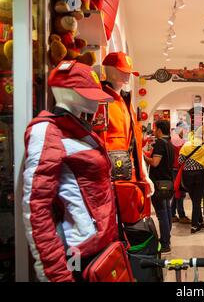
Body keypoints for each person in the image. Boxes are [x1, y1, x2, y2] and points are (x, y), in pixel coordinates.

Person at [22, 62, 118, 281]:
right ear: (64, 92)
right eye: (87, 94)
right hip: (77, 252)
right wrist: (56, 274)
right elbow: (36, 207)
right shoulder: (47, 131)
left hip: (100, 246)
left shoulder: (81, 132)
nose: (94, 101)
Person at [93, 52, 154, 225]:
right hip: (111, 179)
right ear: (108, 70)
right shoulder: (101, 101)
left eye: (127, 71)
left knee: (131, 224)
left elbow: (135, 141)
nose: (126, 75)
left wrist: (144, 174)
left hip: (129, 178)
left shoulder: (126, 104)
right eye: (121, 71)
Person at [145, 120, 175, 254]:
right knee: (167, 210)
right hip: (168, 182)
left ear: (159, 130)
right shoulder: (169, 144)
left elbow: (155, 163)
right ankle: (167, 237)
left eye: (155, 128)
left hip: (158, 183)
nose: (154, 131)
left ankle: (165, 243)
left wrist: (143, 157)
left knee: (162, 213)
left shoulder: (159, 144)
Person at [178, 126, 204, 234]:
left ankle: (200, 221)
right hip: (200, 175)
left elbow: (180, 160)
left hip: (187, 175)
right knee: (197, 200)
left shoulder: (187, 145)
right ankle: (194, 225)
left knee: (195, 200)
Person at [170, 125, 191, 224]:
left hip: (176, 168)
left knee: (177, 192)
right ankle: (181, 215)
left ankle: (172, 214)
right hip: (177, 168)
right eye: (185, 129)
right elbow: (183, 154)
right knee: (179, 192)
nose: (186, 131)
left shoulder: (177, 139)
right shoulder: (177, 141)